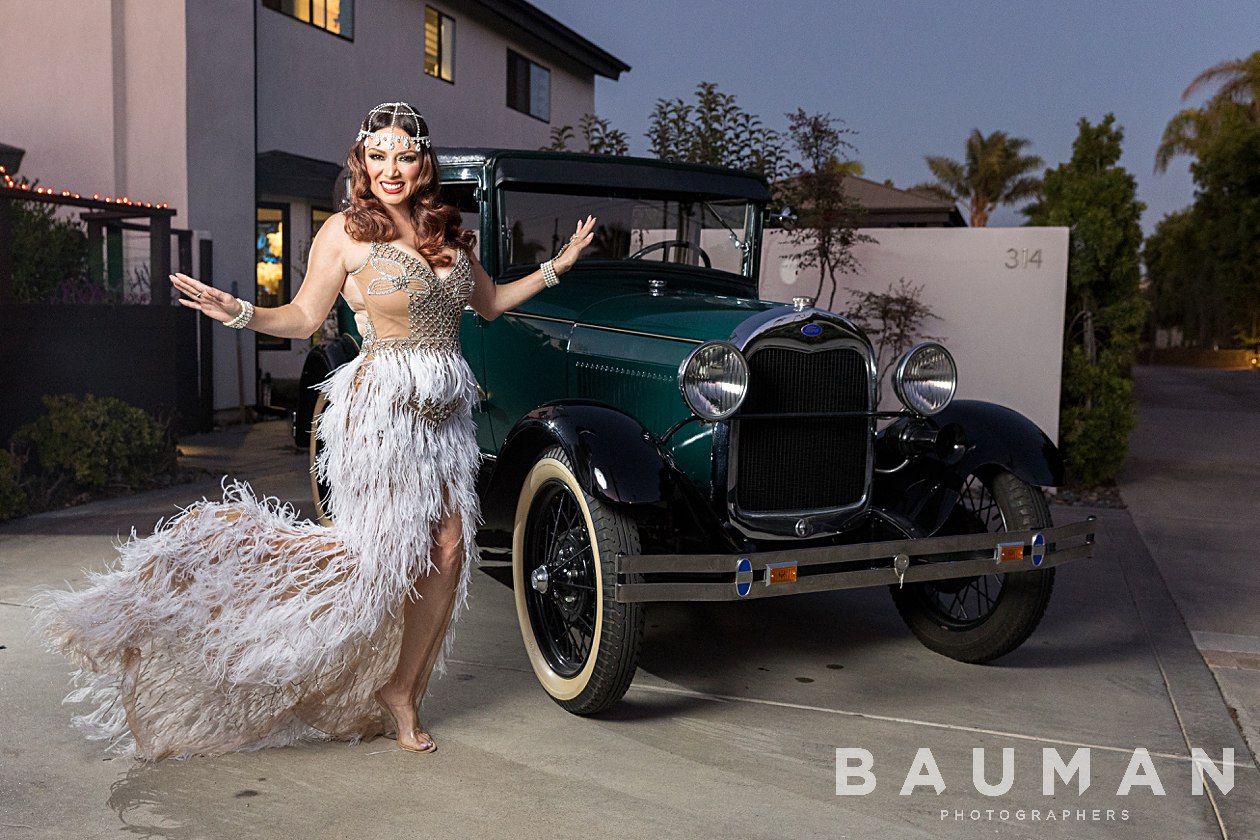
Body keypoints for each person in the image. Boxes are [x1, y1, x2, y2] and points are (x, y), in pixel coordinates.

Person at [32, 102, 596, 759]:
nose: (392, 168)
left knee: (449, 553)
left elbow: (491, 303)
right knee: (376, 563)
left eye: (405, 155)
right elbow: (303, 317)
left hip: (445, 425)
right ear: (362, 161)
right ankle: (229, 626)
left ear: (423, 163)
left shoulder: (450, 234)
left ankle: (401, 691)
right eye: (378, 155)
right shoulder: (343, 235)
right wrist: (241, 313)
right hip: (382, 418)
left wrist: (561, 264)